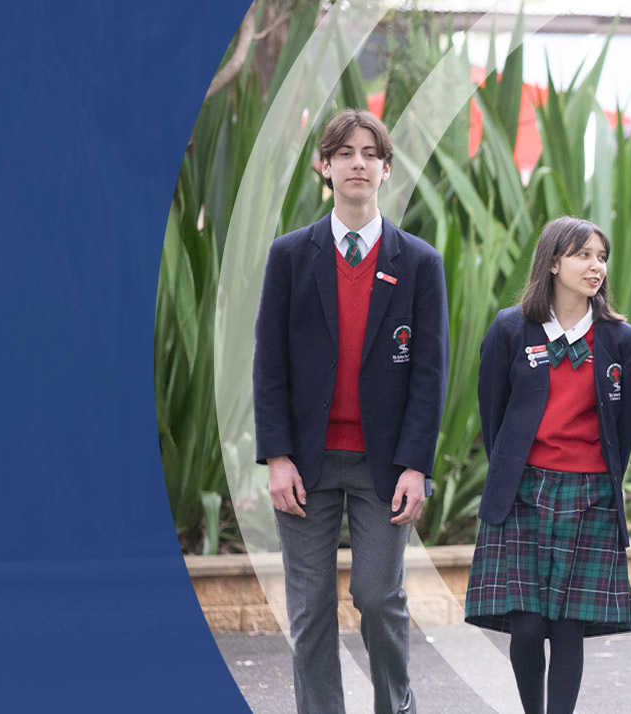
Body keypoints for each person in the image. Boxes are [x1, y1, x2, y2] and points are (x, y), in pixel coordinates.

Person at [252, 108, 448, 714]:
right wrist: (277, 456)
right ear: (325, 167)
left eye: (369, 153)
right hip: (305, 464)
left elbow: (429, 374)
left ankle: (397, 705)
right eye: (344, 153)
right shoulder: (290, 256)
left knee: (378, 597)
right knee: (309, 609)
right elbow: (270, 363)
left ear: (386, 169)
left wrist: (416, 466)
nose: (357, 163)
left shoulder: (419, 262)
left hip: (382, 465)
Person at [465, 216, 631, 714]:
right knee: (526, 625)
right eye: (583, 255)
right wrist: (515, 472)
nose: (596, 266)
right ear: (553, 262)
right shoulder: (510, 329)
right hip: (523, 492)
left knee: (568, 626)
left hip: (591, 496)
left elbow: (623, 427)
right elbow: (494, 414)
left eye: (601, 257)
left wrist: (595, 478)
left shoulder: (620, 339)